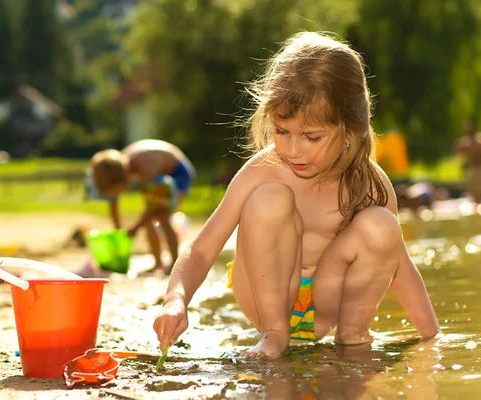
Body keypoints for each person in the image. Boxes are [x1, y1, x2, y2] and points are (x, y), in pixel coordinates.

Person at [152, 32, 441, 359]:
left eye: (312, 137)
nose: (292, 150)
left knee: (382, 225)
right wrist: (175, 300)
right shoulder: (264, 170)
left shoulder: (369, 183)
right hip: (267, 297)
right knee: (268, 199)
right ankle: (274, 335)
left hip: (327, 305)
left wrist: (432, 336)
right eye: (282, 131)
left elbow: (398, 264)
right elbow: (202, 249)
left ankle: (353, 335)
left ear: (351, 131)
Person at [90, 139, 196, 275]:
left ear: (126, 177)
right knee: (148, 221)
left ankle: (174, 264)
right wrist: (119, 235)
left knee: (162, 215)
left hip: (178, 171)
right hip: (159, 174)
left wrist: (135, 228)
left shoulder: (146, 169)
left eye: (119, 190)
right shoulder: (114, 167)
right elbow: (113, 202)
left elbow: (153, 206)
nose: (118, 194)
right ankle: (158, 263)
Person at [453, 118, 481, 203]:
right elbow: (456, 153)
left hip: (480, 169)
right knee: (473, 196)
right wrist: (458, 145)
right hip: (471, 170)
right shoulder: (465, 141)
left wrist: (466, 146)